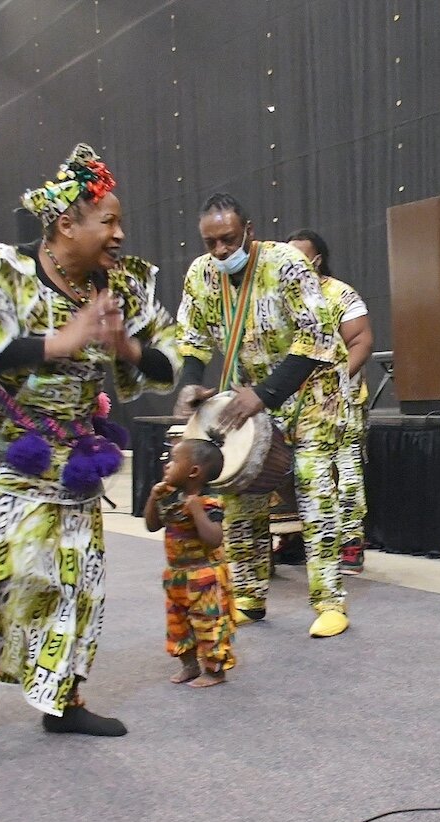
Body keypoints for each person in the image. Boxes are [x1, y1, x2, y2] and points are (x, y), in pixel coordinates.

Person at [0, 144, 180, 737]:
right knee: (6, 567)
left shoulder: (122, 286)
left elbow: (167, 362)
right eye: (107, 221)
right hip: (1, 445)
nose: (119, 233)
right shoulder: (1, 273)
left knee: (78, 581)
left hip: (73, 452)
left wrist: (127, 349)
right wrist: (53, 344)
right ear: (66, 224)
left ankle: (63, 703)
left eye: (119, 221)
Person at [172, 194, 348, 638]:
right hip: (250, 395)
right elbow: (191, 340)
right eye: (210, 242)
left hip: (311, 391)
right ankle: (249, 596)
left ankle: (330, 602)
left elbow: (317, 338)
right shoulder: (200, 274)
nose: (219, 251)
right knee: (242, 491)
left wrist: (265, 394)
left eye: (228, 239)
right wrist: (191, 382)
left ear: (248, 230)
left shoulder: (287, 263)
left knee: (312, 487)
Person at [285, 228, 375, 576]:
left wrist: (334, 381)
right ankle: (296, 537)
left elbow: (362, 342)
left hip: (342, 401)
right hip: (296, 405)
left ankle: (351, 542)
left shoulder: (340, 294)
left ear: (317, 259)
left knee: (345, 471)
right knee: (300, 474)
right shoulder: (283, 297)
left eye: (298, 256)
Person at [144, 437, 235, 688]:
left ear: (194, 471)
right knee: (178, 624)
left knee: (210, 623)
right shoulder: (169, 498)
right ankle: (189, 664)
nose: (167, 465)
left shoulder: (209, 502)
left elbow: (214, 539)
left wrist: (196, 511)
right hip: (177, 576)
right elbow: (152, 525)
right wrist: (153, 498)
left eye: (174, 460)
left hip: (205, 577)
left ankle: (215, 669)